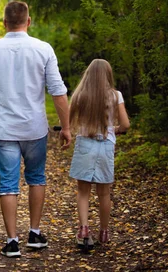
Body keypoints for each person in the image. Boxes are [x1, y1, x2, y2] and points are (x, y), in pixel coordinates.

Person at [0, 1, 72, 258]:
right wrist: (67, 128)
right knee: (36, 178)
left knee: (8, 183)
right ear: (28, 22)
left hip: (5, 130)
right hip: (34, 128)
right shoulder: (43, 49)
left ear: (4, 23)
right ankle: (35, 233)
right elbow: (58, 92)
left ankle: (12, 240)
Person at [68, 59, 130, 248]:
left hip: (85, 143)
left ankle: (84, 229)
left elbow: (70, 122)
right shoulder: (115, 95)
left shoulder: (80, 95)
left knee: (83, 191)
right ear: (108, 75)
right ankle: (104, 232)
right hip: (106, 146)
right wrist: (116, 129)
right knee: (104, 193)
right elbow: (126, 125)